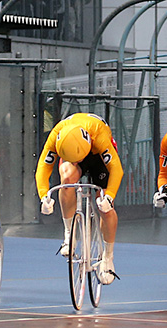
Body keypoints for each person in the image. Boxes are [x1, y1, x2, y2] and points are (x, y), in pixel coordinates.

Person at [36, 112, 123, 284]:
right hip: (73, 146)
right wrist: (44, 195)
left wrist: (110, 197)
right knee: (67, 178)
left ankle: (108, 257)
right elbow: (42, 168)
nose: (75, 163)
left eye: (77, 160)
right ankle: (69, 233)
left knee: (104, 205)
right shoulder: (56, 136)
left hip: (98, 156)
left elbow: (116, 170)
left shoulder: (100, 135)